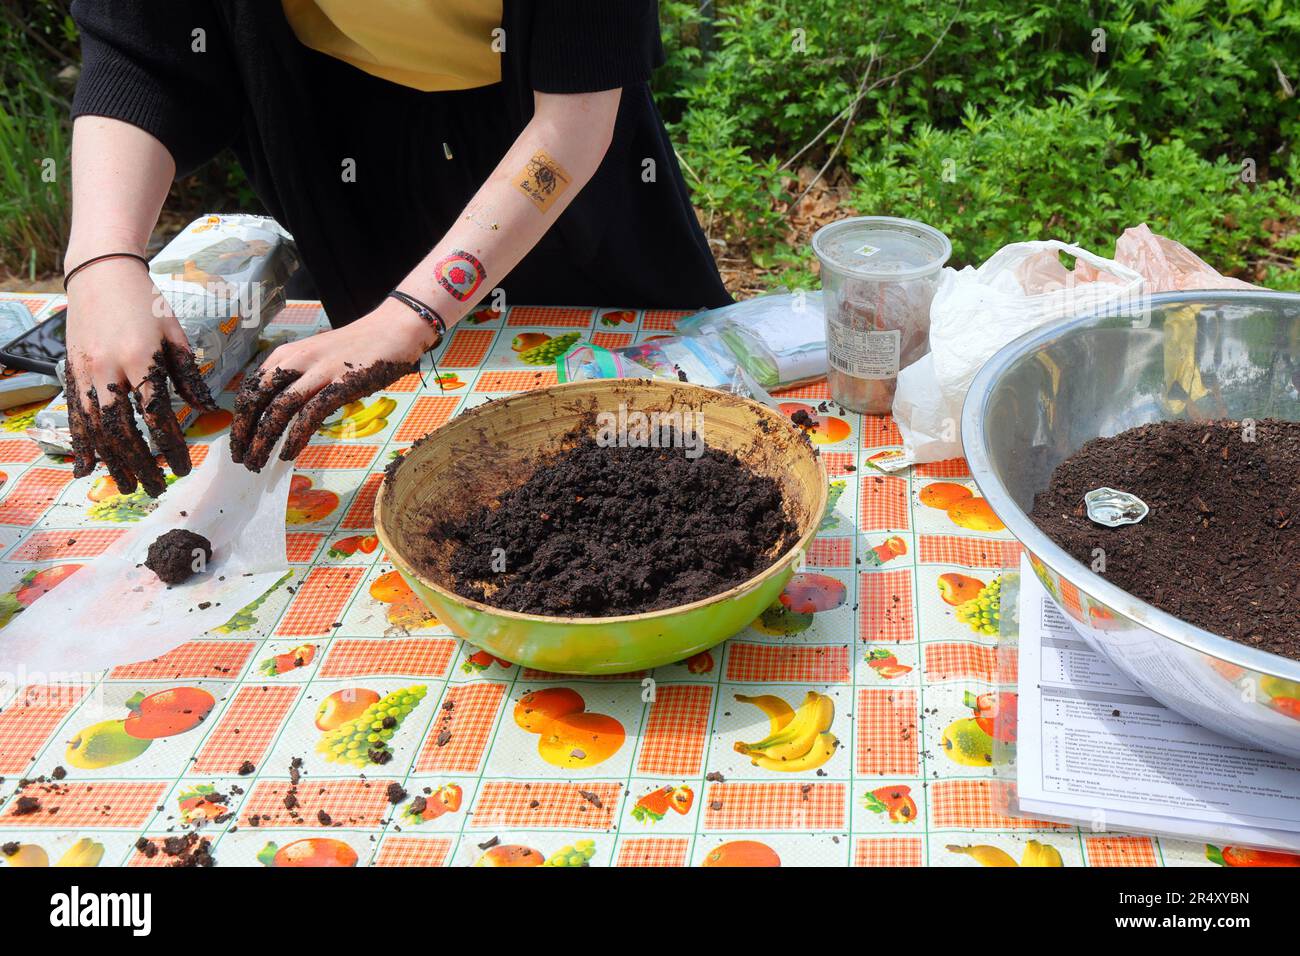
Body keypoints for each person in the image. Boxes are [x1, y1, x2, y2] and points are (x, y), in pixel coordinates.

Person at [61, 0, 730, 492]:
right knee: (418, 432)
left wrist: (412, 314)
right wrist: (102, 259)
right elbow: (140, 47)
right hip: (344, 142)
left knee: (671, 421)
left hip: (556, 157)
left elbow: (573, 125)